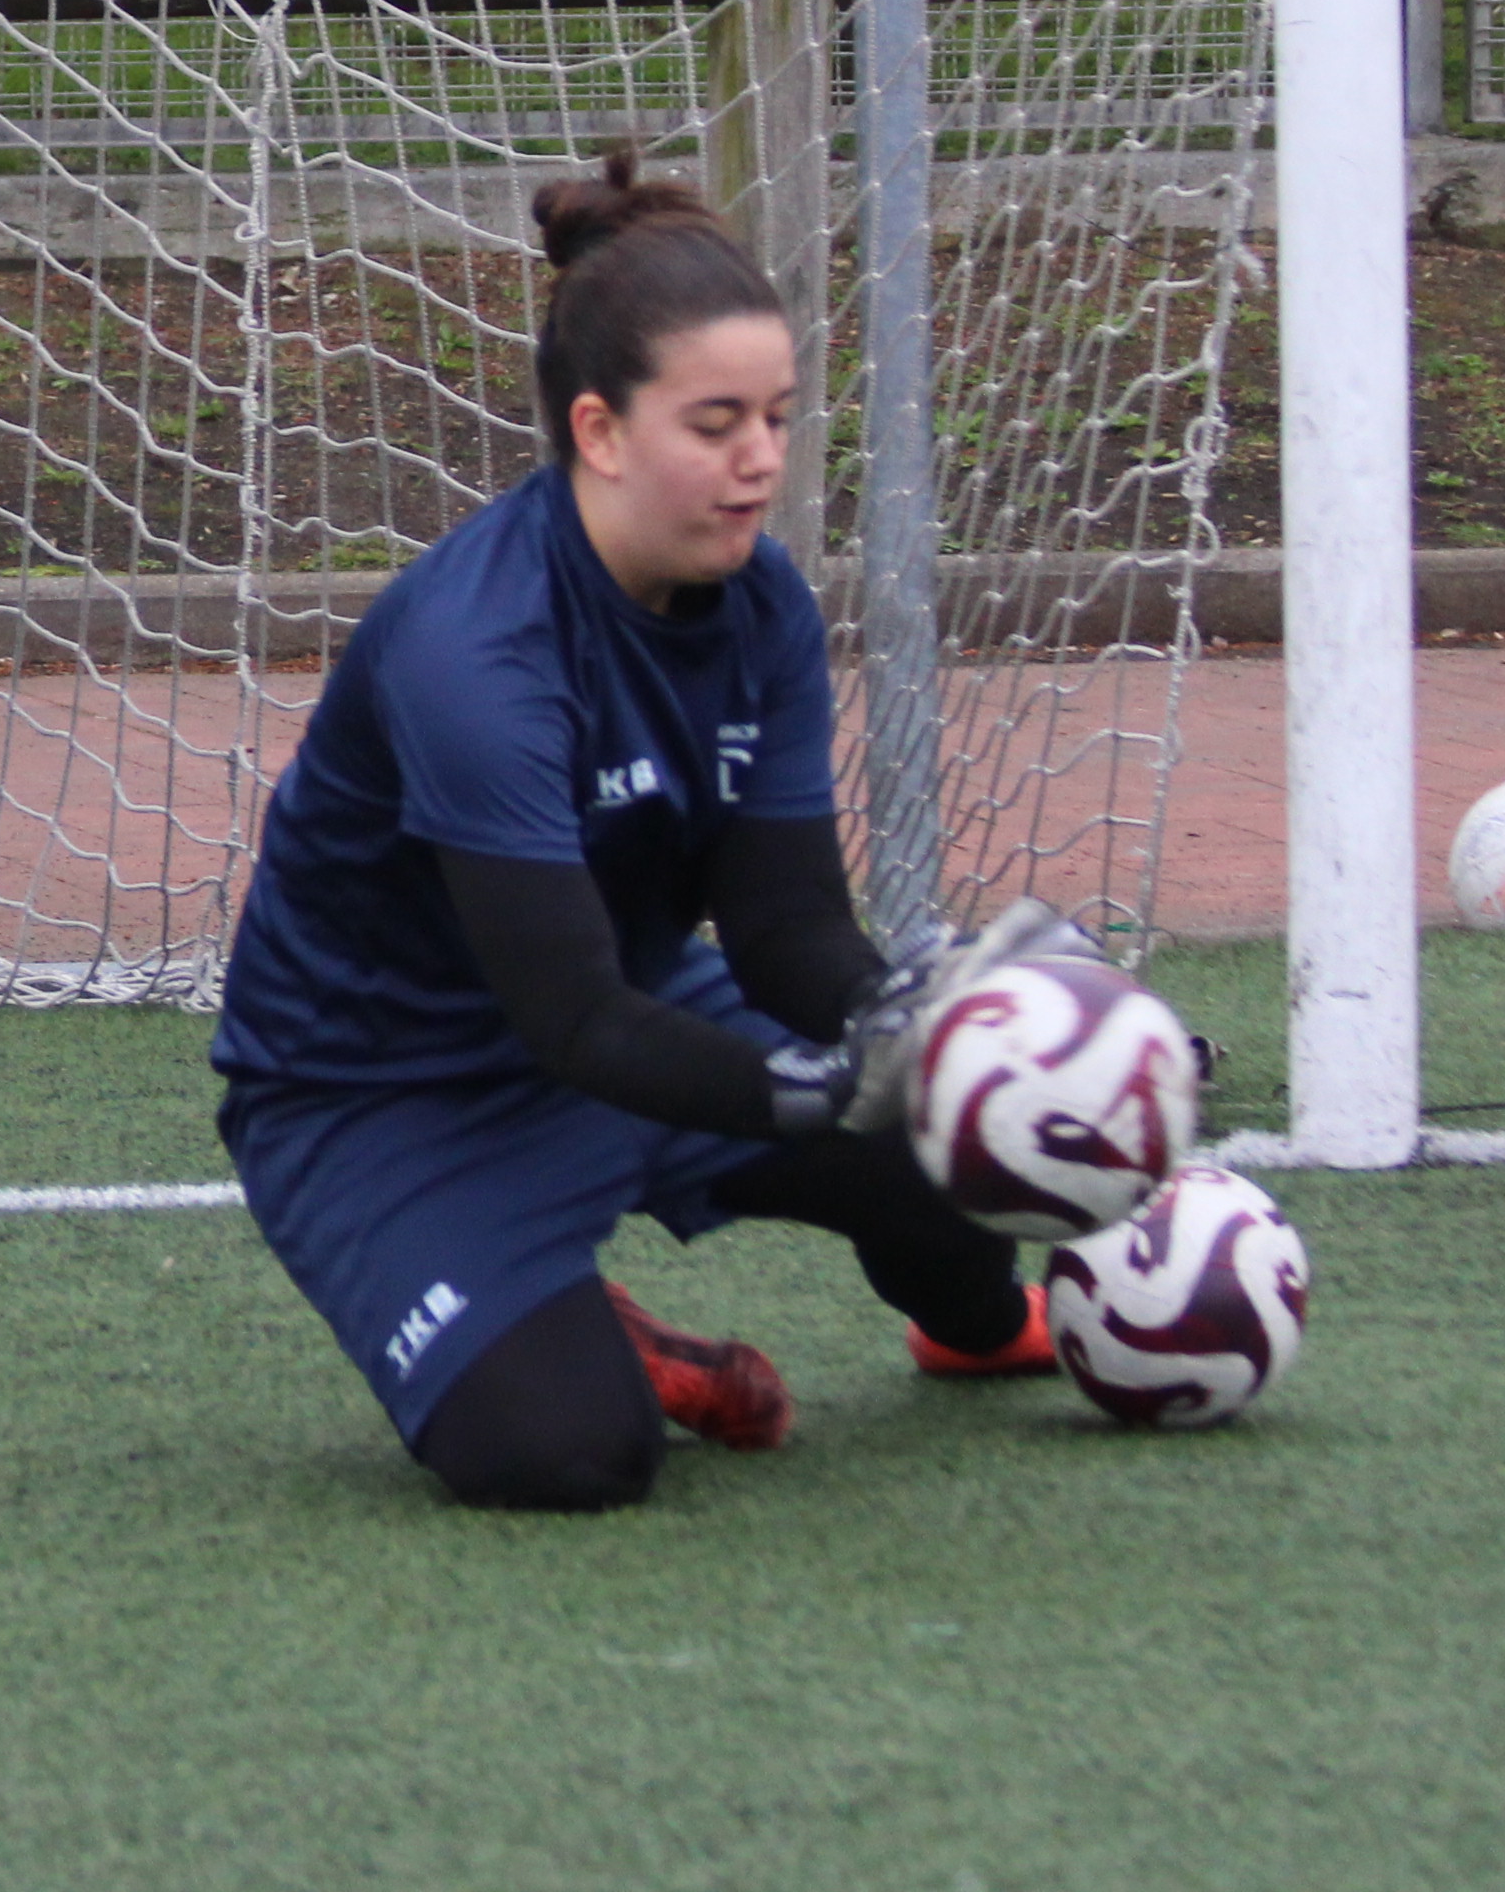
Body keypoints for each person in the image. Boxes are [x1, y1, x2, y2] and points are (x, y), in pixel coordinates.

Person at [208, 151, 1056, 1514]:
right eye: (716, 423)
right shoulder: (475, 654)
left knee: (945, 1154)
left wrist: (918, 1019)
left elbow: (784, 925)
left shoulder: (764, 604)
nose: (761, 459)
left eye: (776, 416)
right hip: (383, 1092)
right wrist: (826, 1084)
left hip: (641, 1008)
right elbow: (574, 1021)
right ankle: (582, 1329)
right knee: (567, 1456)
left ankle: (983, 1325)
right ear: (599, 432)